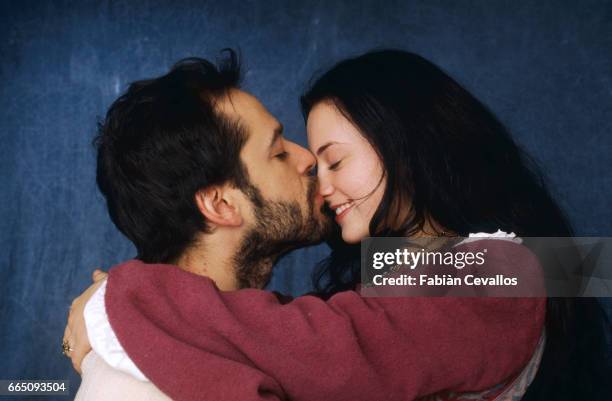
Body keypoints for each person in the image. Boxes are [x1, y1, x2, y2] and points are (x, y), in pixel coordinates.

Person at [65, 49, 593, 400]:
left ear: (408, 150)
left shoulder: (506, 265)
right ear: (221, 205)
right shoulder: (135, 377)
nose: (314, 173)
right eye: (281, 152)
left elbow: (331, 341)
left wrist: (124, 298)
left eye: (334, 160)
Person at [66, 51, 334, 399]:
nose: (308, 158)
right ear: (220, 204)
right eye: (278, 153)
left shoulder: (255, 340)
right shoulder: (131, 391)